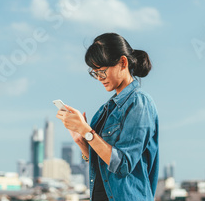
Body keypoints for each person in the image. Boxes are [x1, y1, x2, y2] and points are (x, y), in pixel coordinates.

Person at [56, 33, 159, 201]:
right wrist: (82, 141)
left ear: (123, 63)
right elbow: (104, 164)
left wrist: (87, 131)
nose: (99, 78)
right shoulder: (105, 110)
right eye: (94, 73)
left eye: (102, 71)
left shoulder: (140, 103)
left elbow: (123, 165)